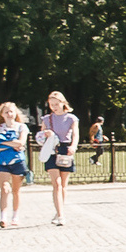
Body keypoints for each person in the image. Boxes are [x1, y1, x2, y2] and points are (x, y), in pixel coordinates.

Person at [39, 91, 80, 225]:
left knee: (63, 185)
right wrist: (45, 133)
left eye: (56, 104)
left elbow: (75, 135)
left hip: (65, 148)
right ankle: (61, 215)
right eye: (52, 105)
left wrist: (73, 146)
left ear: (63, 103)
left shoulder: (71, 118)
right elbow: (40, 137)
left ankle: (59, 210)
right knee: (56, 183)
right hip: (51, 149)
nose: (54, 107)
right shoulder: (46, 119)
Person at [0, 102, 29, 228]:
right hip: (3, 163)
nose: (9, 114)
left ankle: (15, 216)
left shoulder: (21, 127)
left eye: (11, 111)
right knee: (4, 188)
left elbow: (21, 142)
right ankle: (3, 217)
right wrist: (12, 143)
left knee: (16, 190)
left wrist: (3, 142)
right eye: (6, 112)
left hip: (18, 161)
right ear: (2, 114)